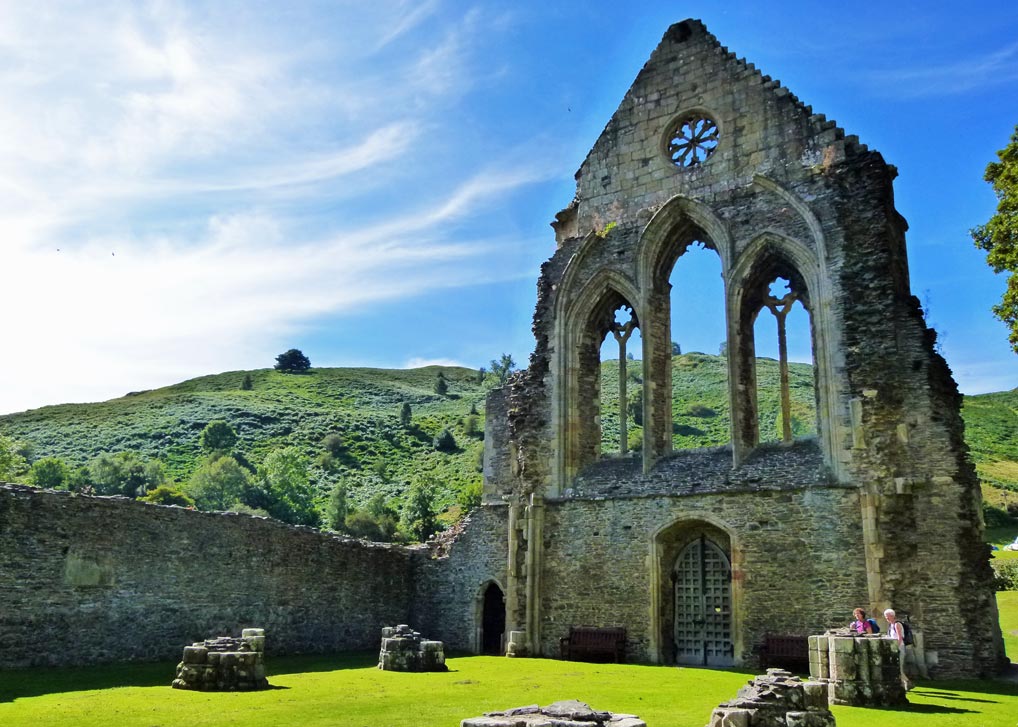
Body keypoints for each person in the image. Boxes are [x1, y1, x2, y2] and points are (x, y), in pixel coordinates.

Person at [884, 608, 913, 690]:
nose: (886, 618)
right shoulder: (891, 625)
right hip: (895, 648)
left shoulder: (897, 624)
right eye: (886, 616)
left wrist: (897, 647)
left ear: (893, 616)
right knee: (897, 667)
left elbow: (899, 637)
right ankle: (904, 684)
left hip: (899, 647)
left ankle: (907, 682)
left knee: (899, 667)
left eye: (888, 616)